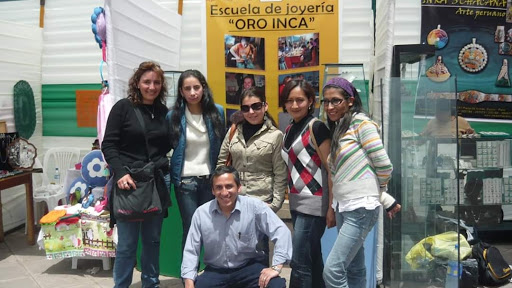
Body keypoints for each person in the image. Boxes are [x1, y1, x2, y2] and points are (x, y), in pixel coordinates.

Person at [321, 77, 401, 288]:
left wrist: (381, 193)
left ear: (350, 100)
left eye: (336, 101)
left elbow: (384, 166)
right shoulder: (341, 127)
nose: (330, 106)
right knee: (354, 268)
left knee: (333, 270)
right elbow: (353, 172)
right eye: (326, 101)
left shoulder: (362, 123)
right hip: (344, 206)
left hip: (360, 208)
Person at [102, 61, 172, 288]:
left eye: (157, 82)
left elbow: (168, 144)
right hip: (129, 184)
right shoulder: (123, 108)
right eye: (147, 82)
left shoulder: (163, 111)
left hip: (157, 183)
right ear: (137, 83)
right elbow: (109, 145)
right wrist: (120, 173)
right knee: (127, 244)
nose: (152, 87)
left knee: (152, 241)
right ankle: (120, 285)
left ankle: (150, 284)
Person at [181, 165, 292, 288]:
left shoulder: (255, 207)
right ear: (212, 190)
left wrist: (276, 267)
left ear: (239, 187)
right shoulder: (201, 213)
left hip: (248, 268)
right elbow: (191, 250)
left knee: (276, 285)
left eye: (229, 186)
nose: (224, 192)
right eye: (219, 187)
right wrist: (188, 281)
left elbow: (281, 232)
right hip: (215, 272)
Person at [217, 87, 288, 265]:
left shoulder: (275, 136)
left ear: (265, 106)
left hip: (260, 201)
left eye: (256, 106)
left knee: (258, 253)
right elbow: (221, 163)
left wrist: (274, 205)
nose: (251, 112)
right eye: (246, 108)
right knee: (233, 252)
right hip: (235, 201)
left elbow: (280, 172)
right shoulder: (234, 131)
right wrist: (222, 193)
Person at [280, 80, 335, 288]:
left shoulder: (317, 127)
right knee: (313, 258)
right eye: (290, 100)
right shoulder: (289, 129)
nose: (295, 105)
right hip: (296, 203)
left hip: (314, 204)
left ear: (310, 101)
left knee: (300, 262)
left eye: (300, 100)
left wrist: (331, 208)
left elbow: (331, 171)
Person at [167, 69, 225, 252]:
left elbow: (223, 145)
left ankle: (211, 275)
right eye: (187, 88)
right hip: (185, 182)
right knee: (191, 229)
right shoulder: (173, 116)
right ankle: (189, 276)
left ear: (203, 88)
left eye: (196, 87)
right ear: (181, 92)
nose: (192, 93)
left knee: (212, 228)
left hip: (210, 180)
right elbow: (169, 146)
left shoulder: (218, 112)